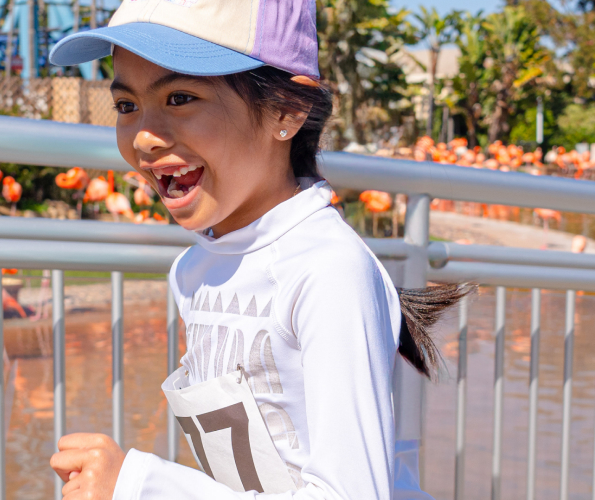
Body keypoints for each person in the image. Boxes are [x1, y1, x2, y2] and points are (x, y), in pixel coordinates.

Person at [43, 1, 467, 499]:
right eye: (126, 106)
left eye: (180, 97)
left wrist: (140, 485)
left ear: (286, 110)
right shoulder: (194, 268)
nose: (144, 138)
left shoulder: (328, 271)